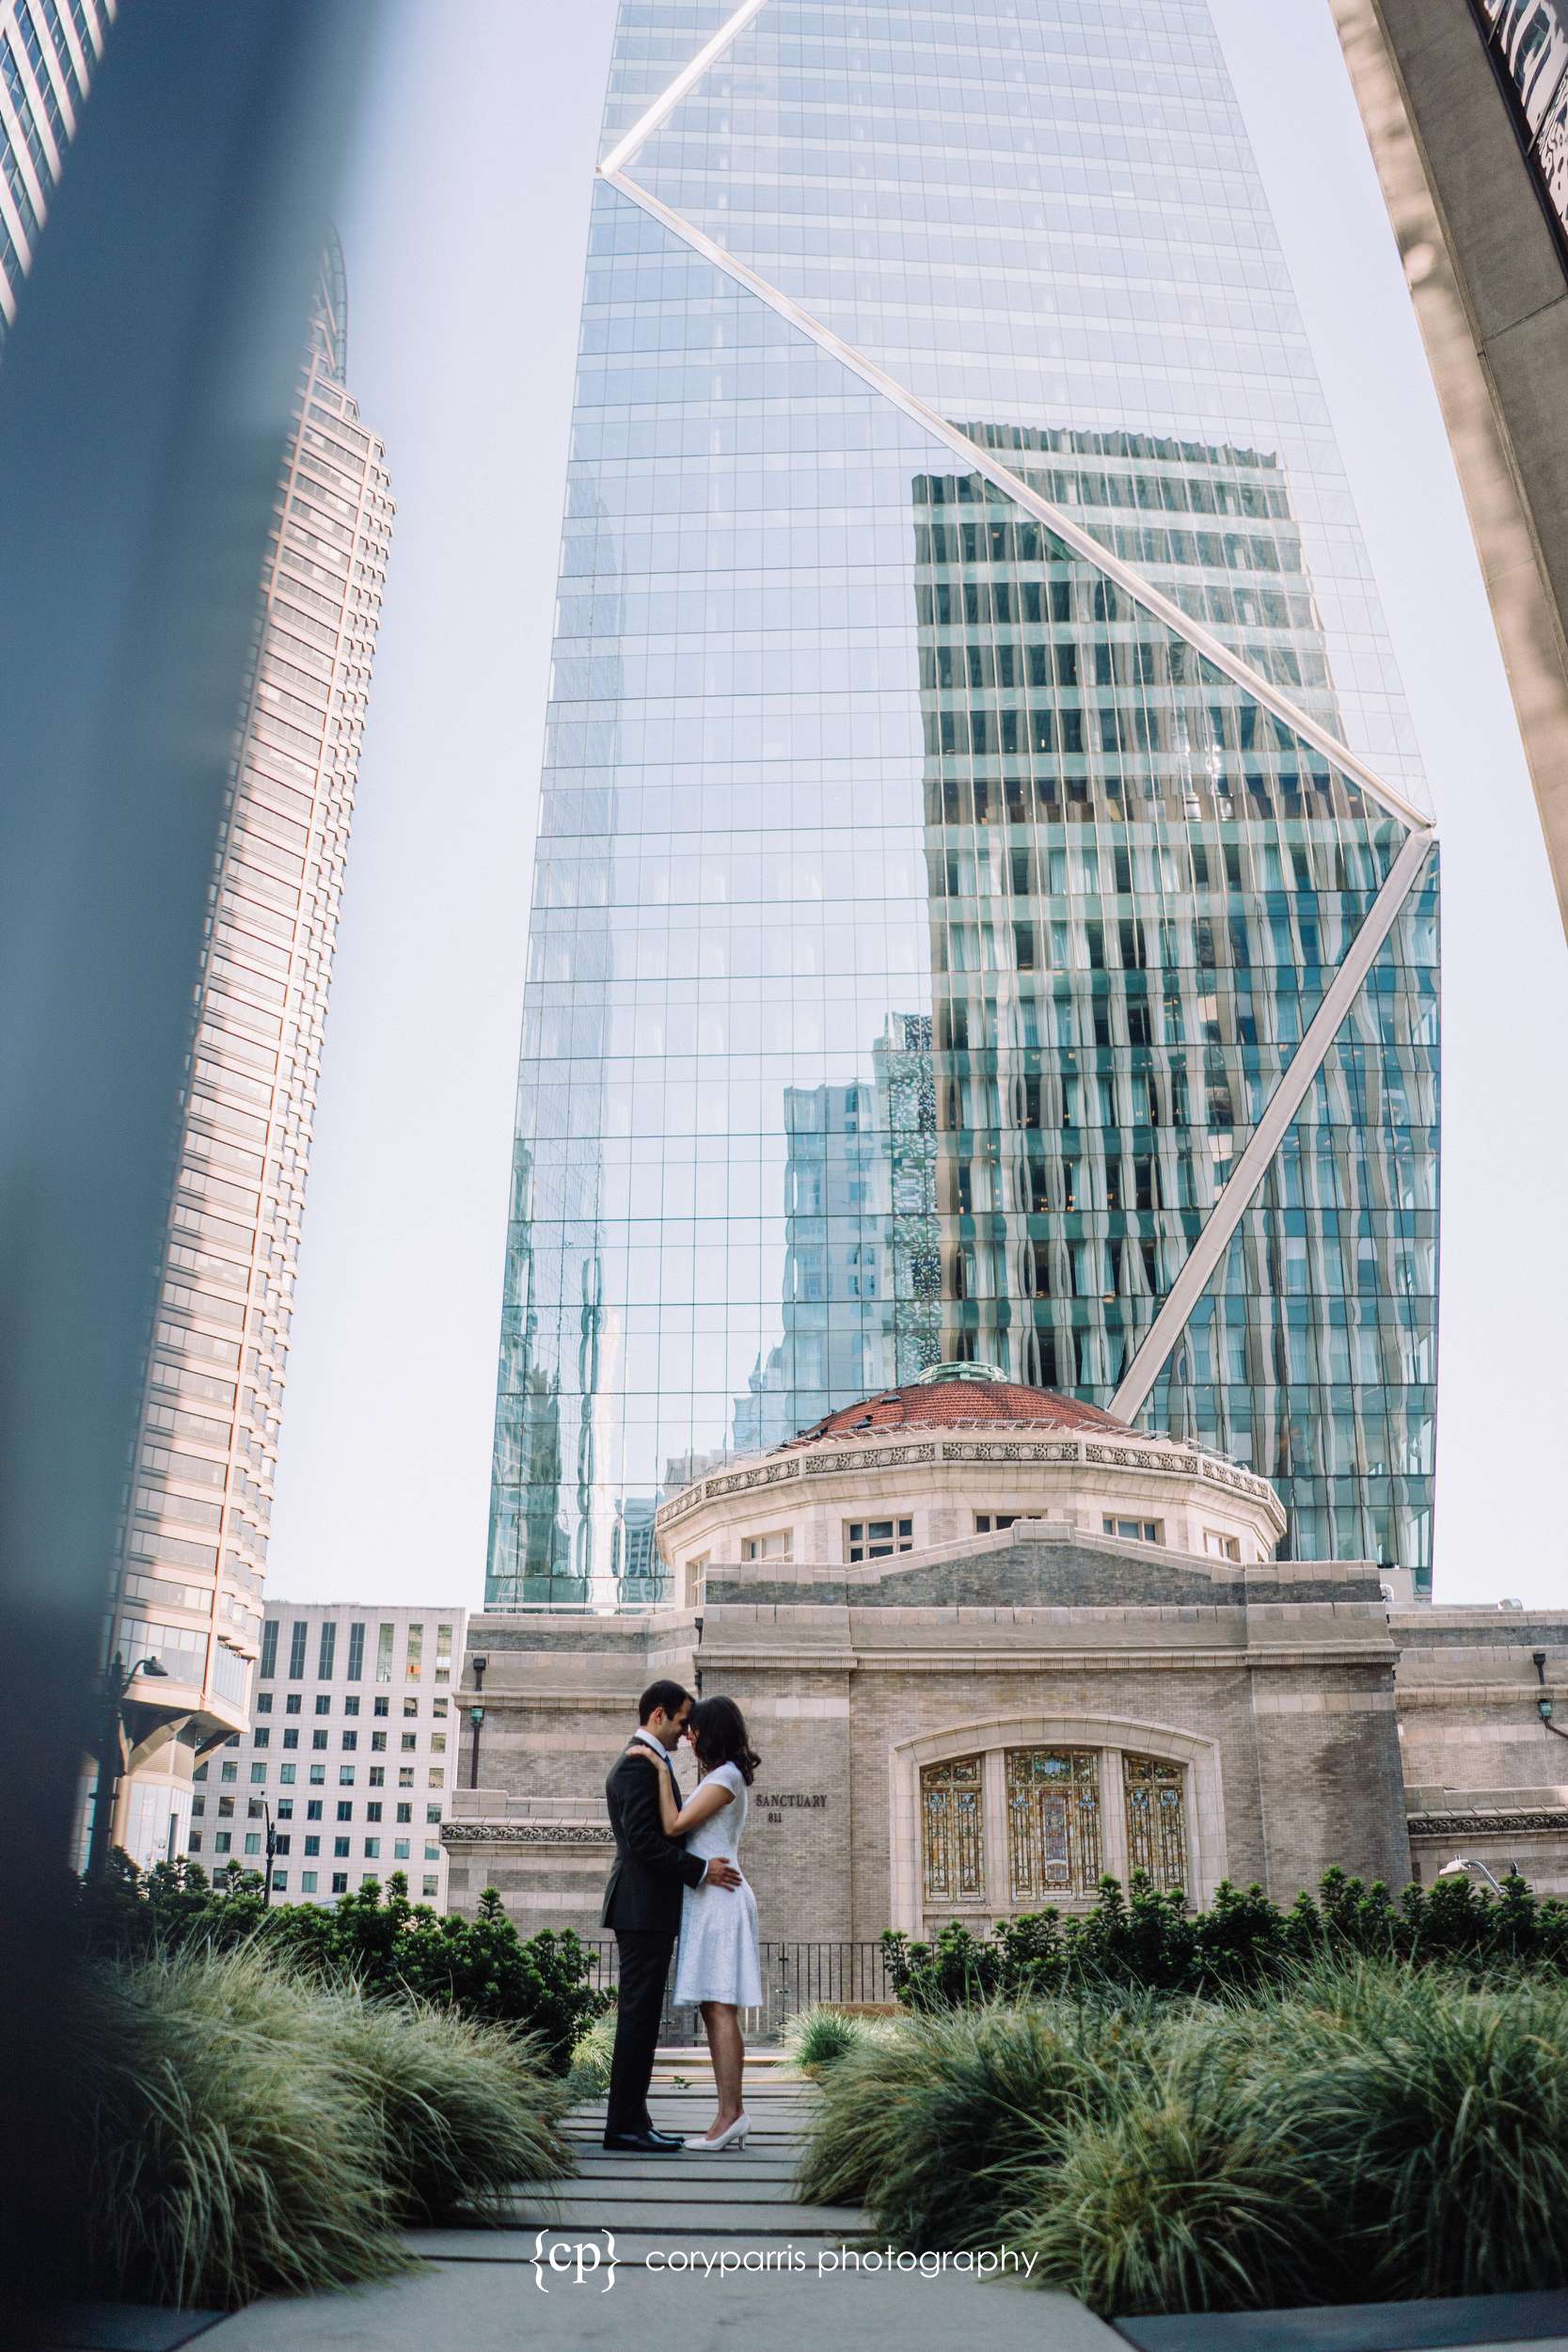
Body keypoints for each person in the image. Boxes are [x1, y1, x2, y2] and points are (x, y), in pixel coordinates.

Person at [600, 1679, 741, 2154]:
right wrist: (700, 1870)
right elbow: (645, 1843)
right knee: (637, 2018)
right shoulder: (637, 1766)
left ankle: (634, 2121)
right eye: (682, 1721)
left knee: (640, 2018)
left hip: (647, 1909)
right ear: (658, 1715)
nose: (686, 1733)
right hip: (641, 1908)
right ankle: (624, 2125)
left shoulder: (649, 1763)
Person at [633, 1692, 762, 2151]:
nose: (688, 1736)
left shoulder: (725, 1778)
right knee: (715, 2007)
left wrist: (656, 1767)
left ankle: (731, 2114)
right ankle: (731, 2114)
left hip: (720, 1900)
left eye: (694, 1729)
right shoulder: (724, 1776)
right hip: (712, 1897)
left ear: (712, 1732)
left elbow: (673, 1825)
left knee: (720, 2005)